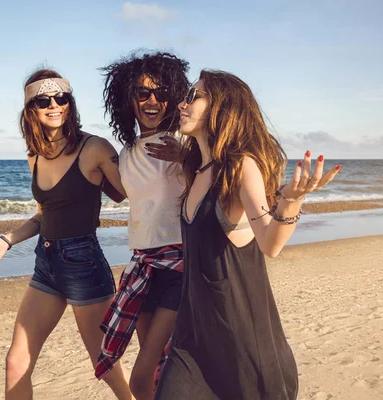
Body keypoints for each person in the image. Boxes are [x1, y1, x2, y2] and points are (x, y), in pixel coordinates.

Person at [154, 70, 341, 399]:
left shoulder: (242, 166)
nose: (182, 104)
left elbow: (270, 243)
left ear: (221, 107)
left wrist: (291, 199)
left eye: (193, 96)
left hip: (239, 340)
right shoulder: (197, 169)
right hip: (192, 339)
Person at [0, 68, 132, 400]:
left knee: (104, 364)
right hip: (46, 264)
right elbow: (45, 215)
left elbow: (136, 193)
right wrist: (5, 241)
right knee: (16, 362)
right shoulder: (34, 156)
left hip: (83, 263)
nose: (54, 105)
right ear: (31, 108)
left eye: (62, 98)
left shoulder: (95, 148)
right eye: (44, 100)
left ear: (70, 103)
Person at [94, 51, 190, 399]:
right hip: (142, 266)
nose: (153, 101)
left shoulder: (183, 144)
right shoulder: (129, 150)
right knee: (155, 375)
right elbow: (121, 193)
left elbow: (222, 179)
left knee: (144, 374)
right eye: (143, 93)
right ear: (128, 99)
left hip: (179, 265)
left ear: (175, 98)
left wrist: (188, 159)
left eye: (162, 93)